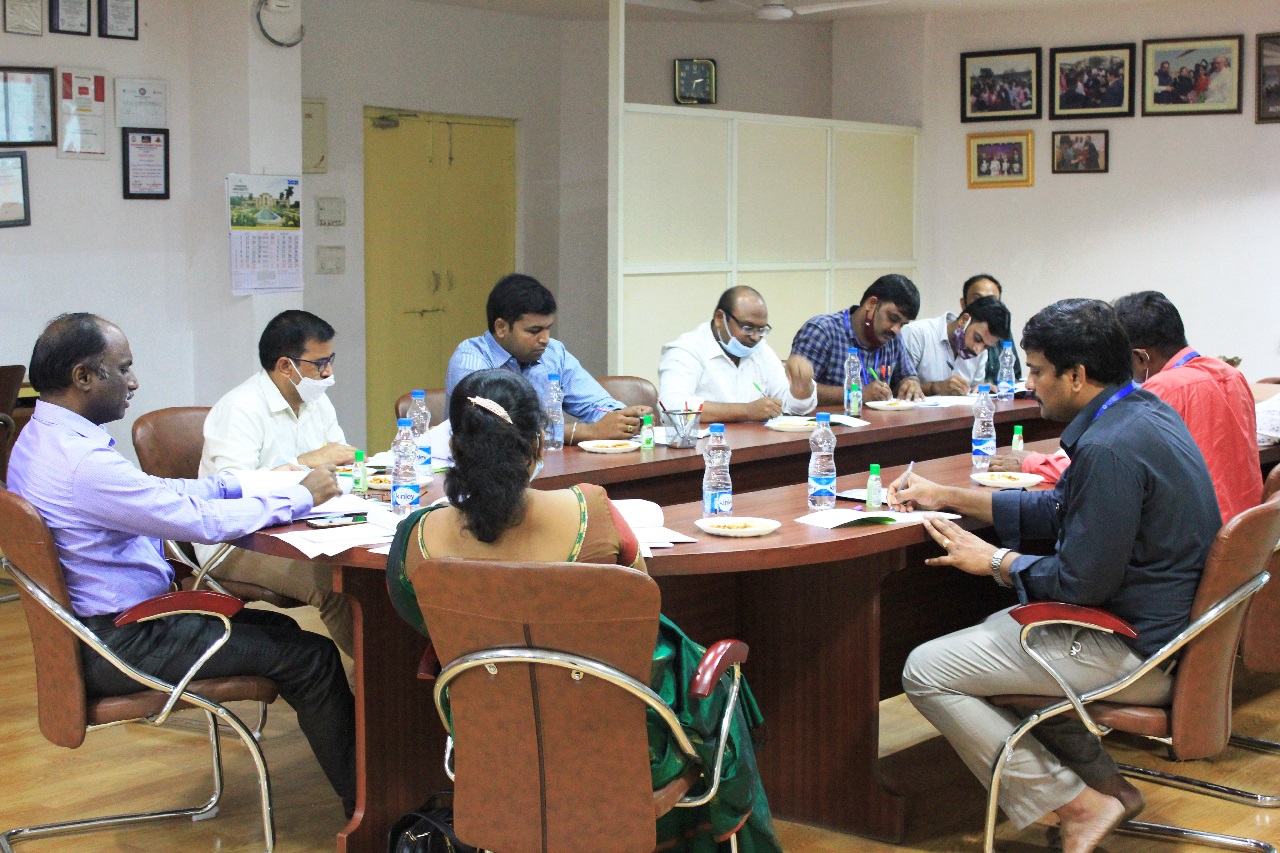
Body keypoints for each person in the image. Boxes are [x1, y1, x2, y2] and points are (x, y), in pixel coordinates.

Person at [385, 369, 784, 853]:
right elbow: (639, 609)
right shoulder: (591, 513)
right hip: (620, 750)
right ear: (538, 446)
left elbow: (424, 622)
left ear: (454, 447)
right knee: (711, 684)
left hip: (496, 748)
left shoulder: (416, 540)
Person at [887, 299, 1221, 853]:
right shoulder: (1142, 413)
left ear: (1076, 376)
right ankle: (1108, 787)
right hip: (1169, 632)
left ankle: (1077, 805)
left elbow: (1080, 584)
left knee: (927, 669)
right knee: (997, 630)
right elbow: (1063, 510)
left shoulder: (1110, 447)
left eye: (1038, 370)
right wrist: (949, 496)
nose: (1029, 383)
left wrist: (996, 562)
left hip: (1138, 649)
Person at [7, 313, 356, 816]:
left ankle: (369, 790)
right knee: (311, 658)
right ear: (83, 377)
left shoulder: (41, 438)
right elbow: (197, 521)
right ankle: (369, 809)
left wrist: (260, 483)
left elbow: (164, 493)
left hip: (104, 630)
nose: (133, 381)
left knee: (283, 634)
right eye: (122, 368)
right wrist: (299, 497)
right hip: (120, 643)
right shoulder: (81, 463)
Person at [992, 291, 1260, 525]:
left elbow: (1105, 468)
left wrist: (1031, 461)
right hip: (1246, 531)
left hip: (1200, 532)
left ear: (1139, 357)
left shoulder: (1162, 390)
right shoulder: (1231, 374)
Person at [198, 309, 355, 656]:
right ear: (286, 366)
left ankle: (397, 674)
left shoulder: (316, 401)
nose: (329, 372)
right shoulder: (240, 408)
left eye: (330, 360)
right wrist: (306, 464)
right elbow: (233, 491)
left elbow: (341, 463)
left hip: (303, 527)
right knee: (335, 583)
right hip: (238, 541)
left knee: (372, 572)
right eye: (320, 363)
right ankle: (380, 677)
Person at [446, 273, 651, 443]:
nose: (545, 339)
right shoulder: (471, 359)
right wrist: (587, 432)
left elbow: (593, 404)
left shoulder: (553, 352)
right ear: (501, 327)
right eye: (534, 330)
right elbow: (495, 430)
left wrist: (624, 417)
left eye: (548, 328)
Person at [657, 285, 816, 422]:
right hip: (702, 445)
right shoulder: (687, 349)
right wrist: (746, 411)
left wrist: (801, 388)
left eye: (761, 330)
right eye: (747, 328)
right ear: (720, 318)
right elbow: (671, 406)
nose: (755, 337)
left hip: (755, 443)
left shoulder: (760, 350)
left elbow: (790, 407)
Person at [787, 273, 925, 405]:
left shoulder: (893, 338)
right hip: (828, 421)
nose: (896, 329)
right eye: (893, 318)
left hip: (878, 420)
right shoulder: (822, 331)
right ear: (871, 303)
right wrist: (856, 394)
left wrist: (911, 384)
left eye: (902, 324)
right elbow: (794, 388)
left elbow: (907, 376)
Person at [899, 295, 1011, 396]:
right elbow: (897, 388)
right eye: (977, 338)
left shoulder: (981, 352)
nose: (978, 350)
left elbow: (972, 391)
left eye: (986, 347)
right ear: (964, 320)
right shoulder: (917, 334)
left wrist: (980, 389)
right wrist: (935, 387)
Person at [963, 273, 1023, 388]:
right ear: (963, 304)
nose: (986, 306)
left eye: (992, 301)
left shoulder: (1003, 334)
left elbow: (1015, 377)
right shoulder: (960, 337)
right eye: (978, 299)